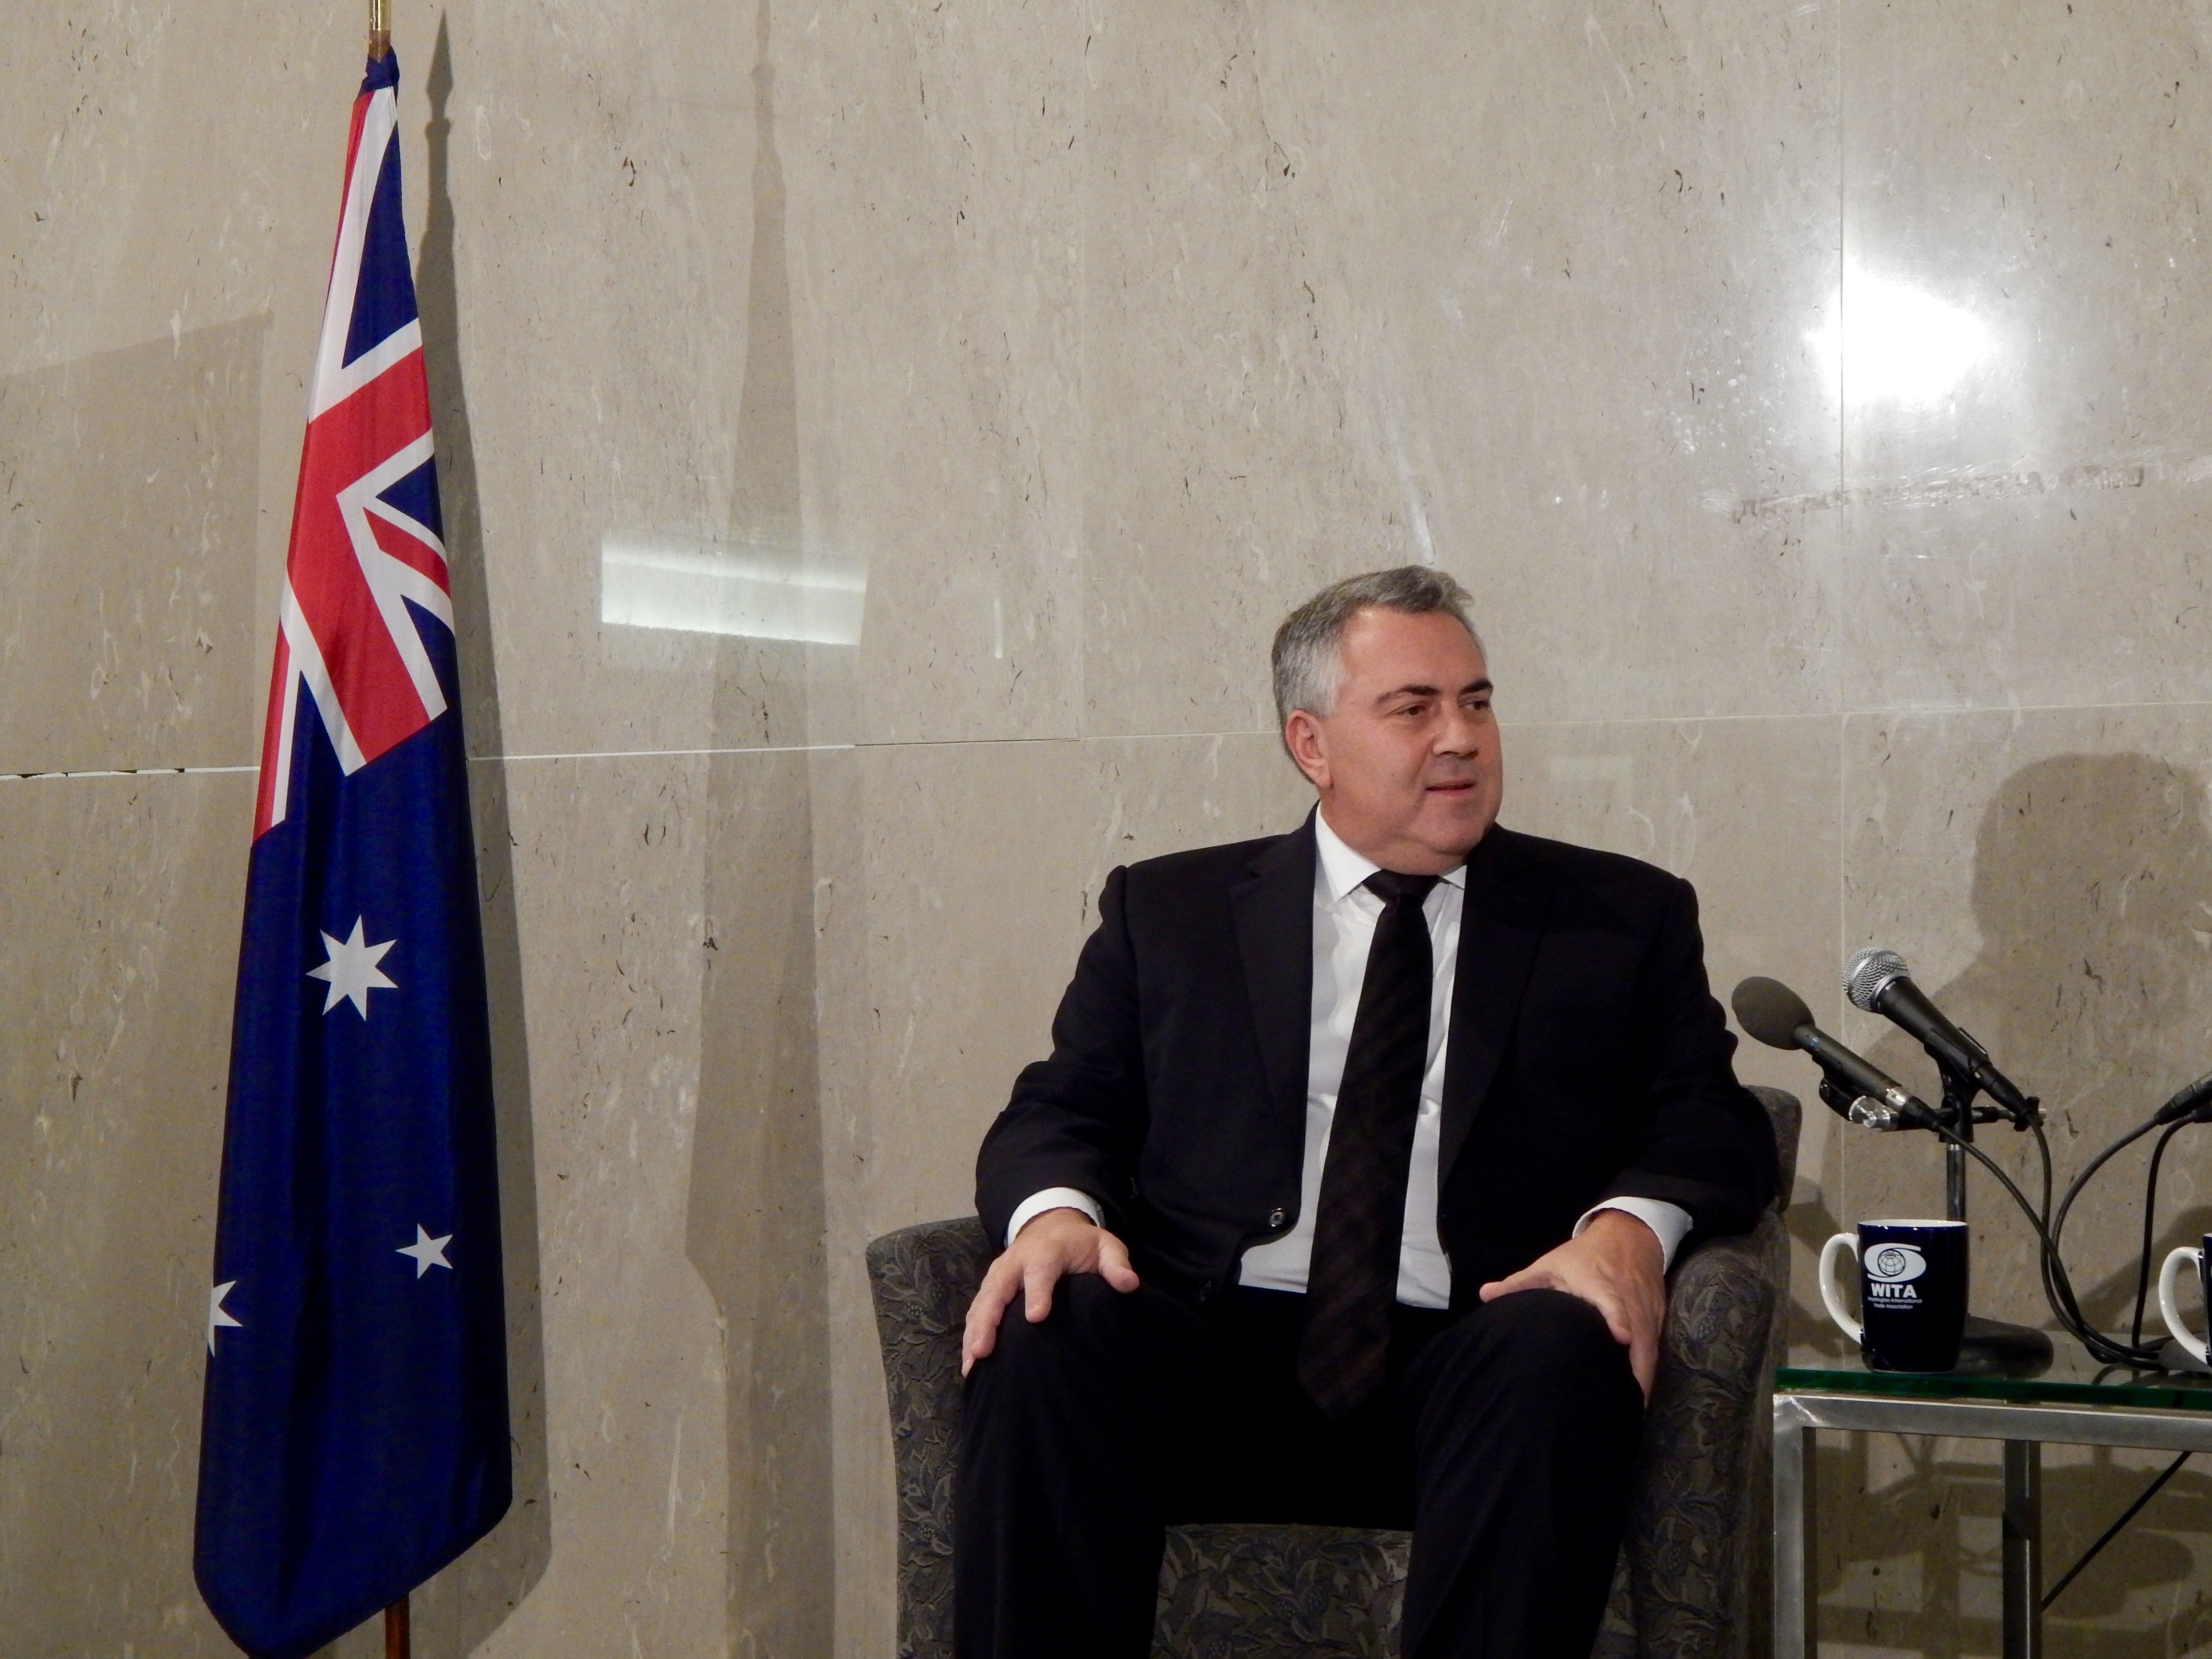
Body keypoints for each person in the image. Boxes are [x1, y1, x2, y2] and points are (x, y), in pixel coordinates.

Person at [956, 565, 1777, 1659]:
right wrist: (1056, 1214)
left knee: (1560, 1347)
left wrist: (1627, 1231)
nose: (1462, 739)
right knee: (1050, 1325)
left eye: (1476, 703)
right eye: (1414, 708)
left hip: (1474, 1352)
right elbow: (1061, 1108)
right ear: (1312, 744)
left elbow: (1712, 1123)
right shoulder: (1174, 912)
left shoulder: (1618, 919)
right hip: (1217, 1347)